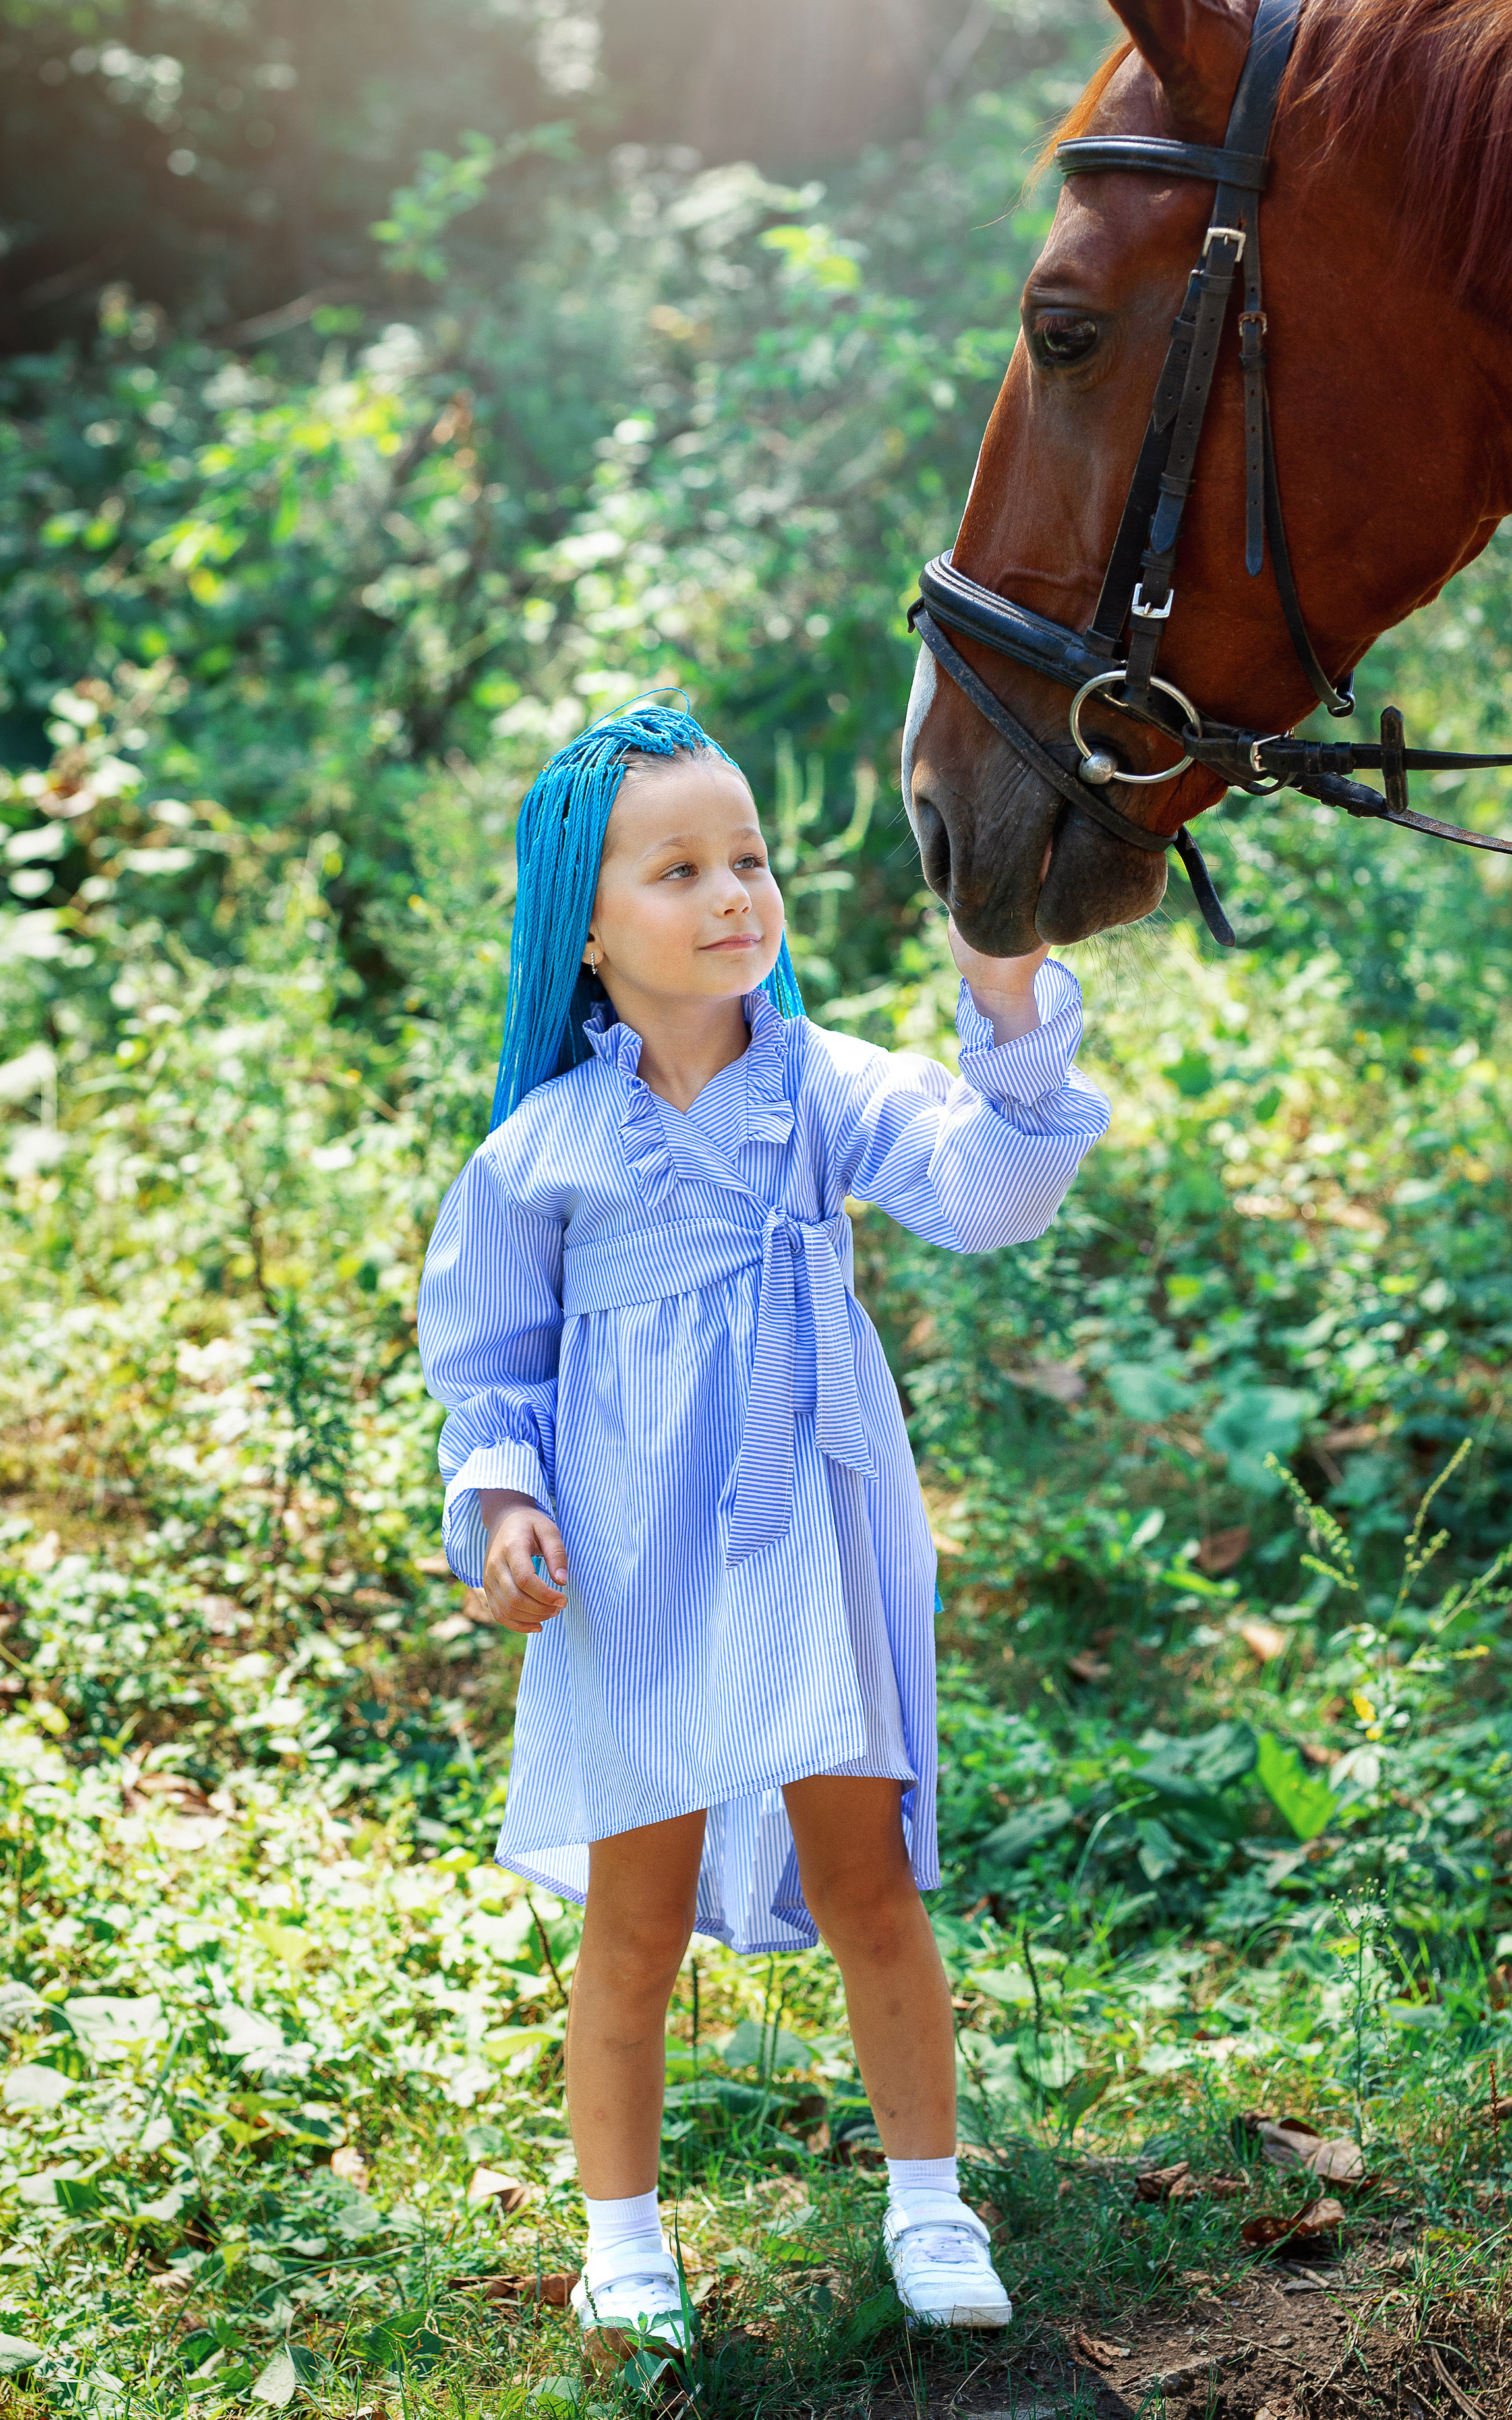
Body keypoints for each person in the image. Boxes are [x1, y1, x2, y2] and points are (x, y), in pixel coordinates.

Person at [417, 698, 1109, 2363]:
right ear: (585, 928)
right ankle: (623, 2235)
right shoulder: (542, 1153)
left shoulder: (822, 1086)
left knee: (867, 1876)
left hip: (815, 1532)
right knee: (633, 1911)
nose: (733, 894)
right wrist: (500, 1507)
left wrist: (1007, 1002)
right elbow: (493, 1371)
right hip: (637, 1566)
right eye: (678, 870)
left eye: (748, 858)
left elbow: (990, 1194)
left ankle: (929, 2199)